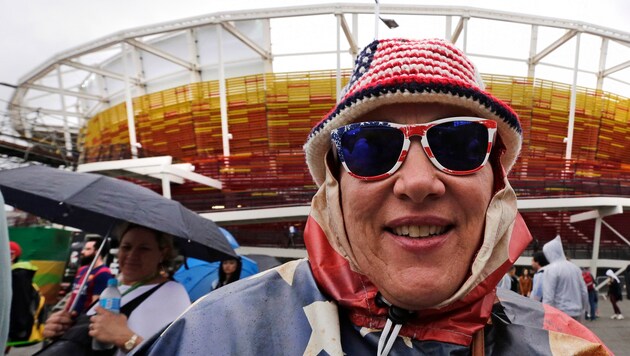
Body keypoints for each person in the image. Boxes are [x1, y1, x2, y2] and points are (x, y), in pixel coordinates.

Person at [140, 38, 610, 355]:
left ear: (497, 184)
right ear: (332, 188)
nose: (418, 182)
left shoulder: (569, 347)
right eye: (371, 148)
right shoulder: (216, 337)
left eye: (460, 143)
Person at [41, 224, 191, 355]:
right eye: (126, 247)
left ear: (162, 253)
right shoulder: (115, 285)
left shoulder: (173, 294)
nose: (132, 255)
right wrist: (61, 331)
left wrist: (126, 339)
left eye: (144, 248)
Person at [542, 235, 589, 321]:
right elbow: (584, 291)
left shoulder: (551, 269)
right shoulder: (575, 268)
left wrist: (546, 317)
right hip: (577, 313)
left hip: (560, 315)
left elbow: (548, 297)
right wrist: (585, 309)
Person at [66, 237, 114, 314]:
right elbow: (72, 295)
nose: (82, 252)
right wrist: (64, 312)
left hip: (81, 320)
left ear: (97, 252)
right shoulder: (82, 269)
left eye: (88, 249)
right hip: (68, 316)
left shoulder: (103, 274)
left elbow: (95, 304)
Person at [8, 241, 39, 343]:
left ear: (12, 256)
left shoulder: (17, 276)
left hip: (10, 330)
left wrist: (15, 331)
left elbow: (20, 304)